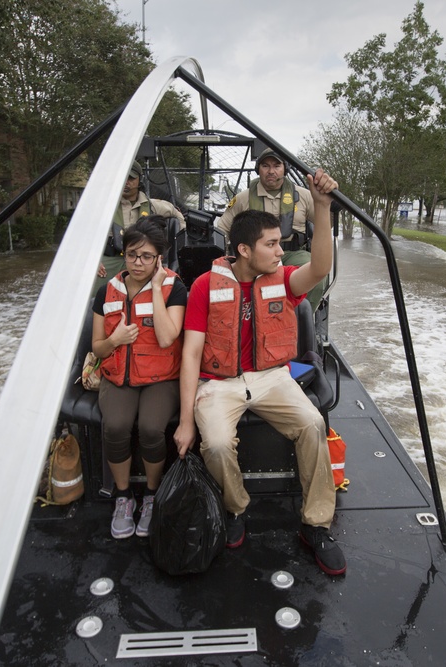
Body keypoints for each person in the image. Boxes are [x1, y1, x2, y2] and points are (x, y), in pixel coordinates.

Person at [174, 168, 346, 576]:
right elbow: (190, 354)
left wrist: (322, 207)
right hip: (219, 383)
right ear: (244, 250)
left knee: (311, 423)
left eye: (280, 243)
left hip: (273, 378)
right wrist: (185, 421)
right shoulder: (203, 286)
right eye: (271, 245)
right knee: (214, 443)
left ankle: (316, 525)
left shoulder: (285, 280)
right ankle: (237, 508)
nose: (280, 252)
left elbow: (319, 267)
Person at [92, 216, 187, 539]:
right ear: (124, 254)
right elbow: (98, 348)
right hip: (118, 375)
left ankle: (150, 493)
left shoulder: (175, 288)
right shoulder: (107, 291)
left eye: (147, 256)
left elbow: (166, 338)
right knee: (115, 426)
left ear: (159, 258)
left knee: (150, 428)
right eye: (132, 254)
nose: (138, 262)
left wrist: (157, 288)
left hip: (162, 378)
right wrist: (114, 340)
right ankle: (122, 496)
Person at [216, 147, 326, 311]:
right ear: (258, 169)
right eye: (265, 166)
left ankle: (304, 316)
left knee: (316, 276)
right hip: (254, 256)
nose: (271, 171)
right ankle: (247, 316)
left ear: (285, 169)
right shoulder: (242, 198)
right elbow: (221, 231)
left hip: (292, 254)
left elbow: (326, 221)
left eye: (277, 165)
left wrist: (325, 201)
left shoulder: (305, 196)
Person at [96, 161, 185, 288]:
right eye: (123, 177)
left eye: (131, 178)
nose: (126, 182)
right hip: (110, 261)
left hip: (142, 261)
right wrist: (93, 261)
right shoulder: (104, 207)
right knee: (93, 292)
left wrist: (179, 246)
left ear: (139, 180)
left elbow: (176, 214)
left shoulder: (152, 206)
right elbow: (84, 235)